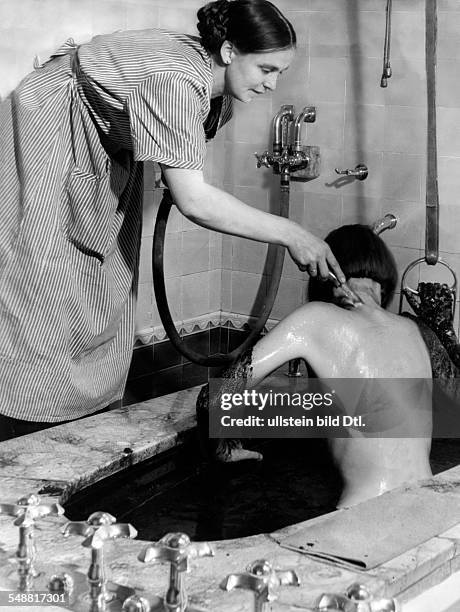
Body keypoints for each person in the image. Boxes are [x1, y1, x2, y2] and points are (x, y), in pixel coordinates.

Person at [0, 0, 346, 439]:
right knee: (40, 282)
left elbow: (181, 165)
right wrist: (293, 235)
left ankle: (79, 429)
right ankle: (19, 435)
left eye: (280, 72)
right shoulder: (176, 79)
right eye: (265, 69)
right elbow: (194, 201)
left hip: (100, 148)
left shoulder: (210, 85)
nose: (272, 85)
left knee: (101, 282)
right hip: (49, 132)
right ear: (228, 52)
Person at [197, 224, 433, 508]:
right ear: (384, 284)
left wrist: (222, 449)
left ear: (326, 276)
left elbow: (215, 397)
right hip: (425, 509)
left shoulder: (317, 318)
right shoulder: (411, 329)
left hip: (365, 511)